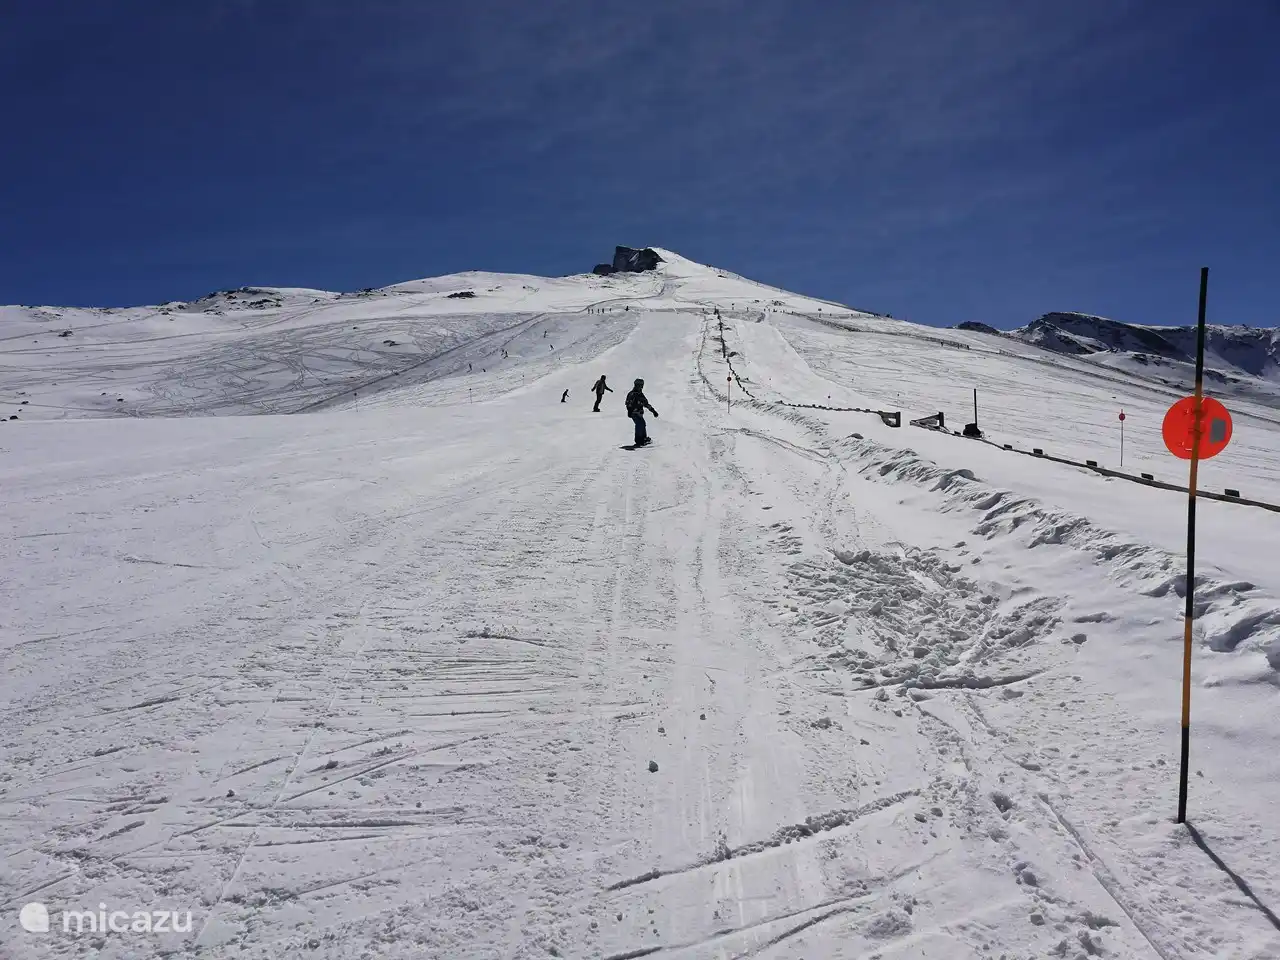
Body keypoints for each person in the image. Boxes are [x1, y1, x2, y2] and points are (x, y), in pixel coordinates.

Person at [624, 378, 658, 446]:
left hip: (639, 413)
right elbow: (628, 403)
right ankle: (639, 439)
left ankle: (643, 438)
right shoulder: (632, 394)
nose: (641, 387)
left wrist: (653, 411)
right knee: (640, 424)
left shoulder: (640, 394)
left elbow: (645, 403)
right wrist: (629, 410)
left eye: (642, 386)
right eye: (640, 385)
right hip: (634, 413)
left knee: (642, 424)